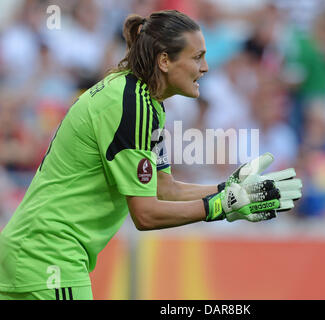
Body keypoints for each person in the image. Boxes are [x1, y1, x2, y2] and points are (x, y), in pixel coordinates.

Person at [0, 10, 302, 300]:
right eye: (197, 57)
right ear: (165, 61)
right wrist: (219, 207)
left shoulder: (140, 99)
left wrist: (226, 189)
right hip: (49, 259)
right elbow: (145, 214)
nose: (206, 67)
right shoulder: (133, 106)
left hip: (31, 253)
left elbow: (163, 187)